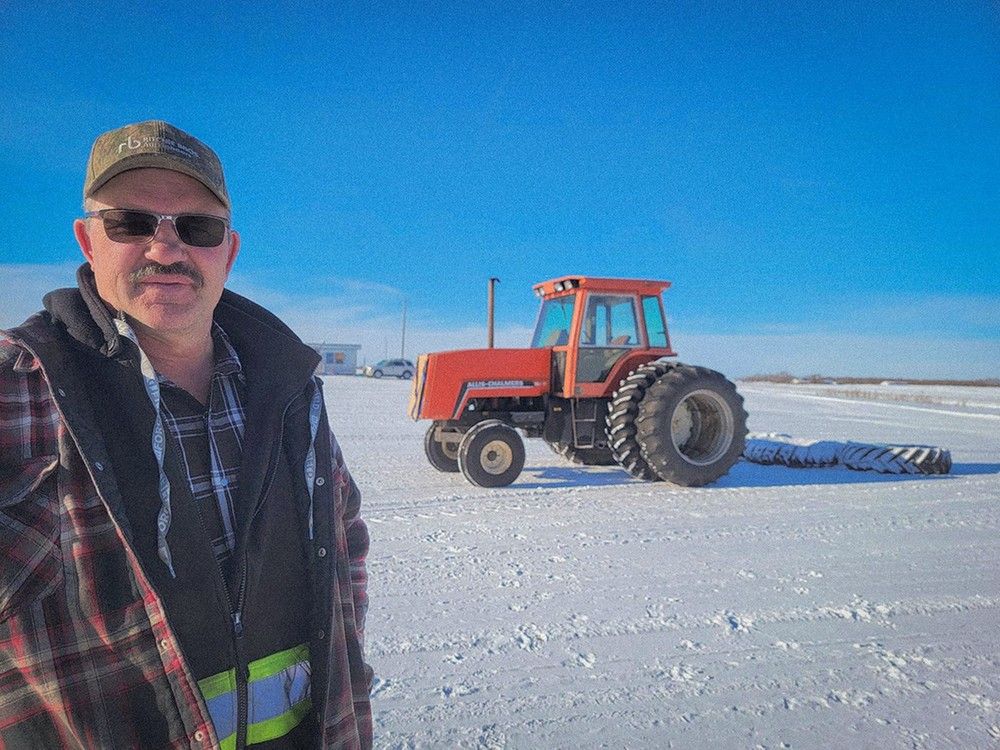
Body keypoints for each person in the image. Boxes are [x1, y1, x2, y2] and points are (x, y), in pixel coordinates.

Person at [0, 121, 373, 749]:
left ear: (228, 252)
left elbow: (345, 546)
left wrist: (348, 684)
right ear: (88, 240)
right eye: (132, 223)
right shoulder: (18, 391)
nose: (167, 249)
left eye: (197, 228)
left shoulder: (290, 391)